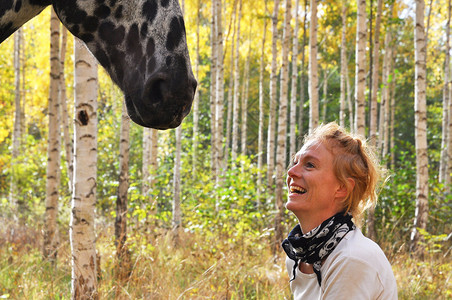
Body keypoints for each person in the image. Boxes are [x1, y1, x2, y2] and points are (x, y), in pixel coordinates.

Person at [281, 122, 398, 299]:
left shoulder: (352, 258)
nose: (291, 172)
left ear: (342, 188)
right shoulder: (298, 256)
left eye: (310, 165)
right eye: (295, 162)